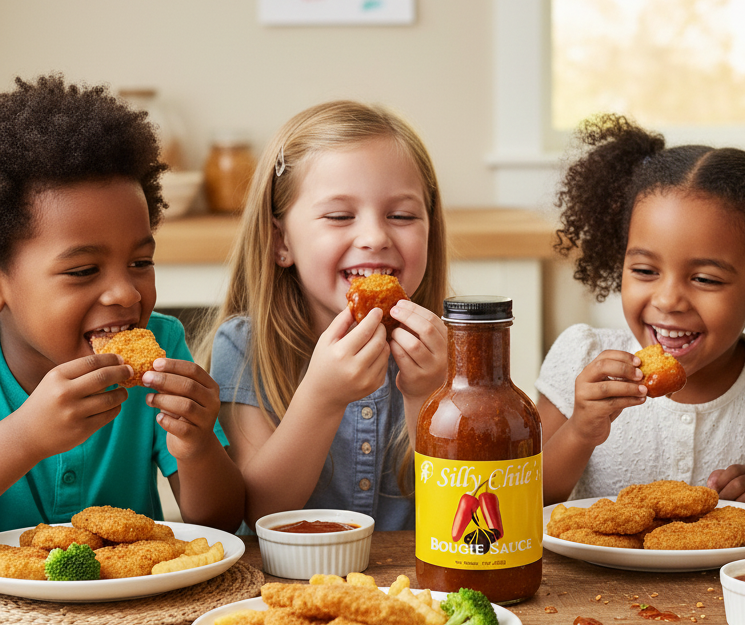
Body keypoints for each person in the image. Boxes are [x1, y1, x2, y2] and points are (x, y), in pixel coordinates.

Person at [537, 114, 745, 506]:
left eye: (705, 279)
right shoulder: (582, 357)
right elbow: (523, 496)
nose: (667, 300)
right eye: (645, 271)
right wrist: (580, 430)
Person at [0, 75, 244, 531]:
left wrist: (196, 447)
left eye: (140, 262)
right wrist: (25, 437)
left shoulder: (163, 342)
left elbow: (221, 522)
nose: (126, 293)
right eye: (83, 270)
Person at [203, 101, 448, 531]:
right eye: (339, 216)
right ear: (281, 241)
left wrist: (428, 396)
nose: (374, 237)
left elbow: (462, 508)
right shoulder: (244, 348)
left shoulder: (455, 349)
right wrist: (322, 398)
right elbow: (258, 513)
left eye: (402, 215)